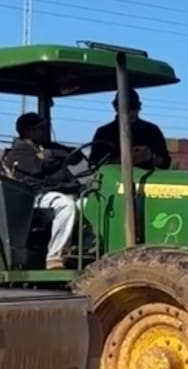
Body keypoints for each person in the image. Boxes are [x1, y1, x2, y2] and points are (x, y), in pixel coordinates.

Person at [2, 112, 83, 269]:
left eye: (45, 127)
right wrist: (52, 157)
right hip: (34, 198)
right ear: (28, 131)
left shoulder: (49, 148)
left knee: (90, 203)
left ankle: (80, 253)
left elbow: (76, 156)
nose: (45, 131)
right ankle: (55, 256)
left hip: (61, 192)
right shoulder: (18, 151)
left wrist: (51, 154)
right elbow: (38, 169)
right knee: (66, 206)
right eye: (40, 128)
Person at [90, 89, 171, 170]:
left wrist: (151, 156)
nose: (130, 112)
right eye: (126, 108)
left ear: (138, 108)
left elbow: (165, 163)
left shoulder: (152, 131)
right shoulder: (104, 133)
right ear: (116, 108)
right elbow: (94, 164)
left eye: (133, 107)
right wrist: (126, 159)